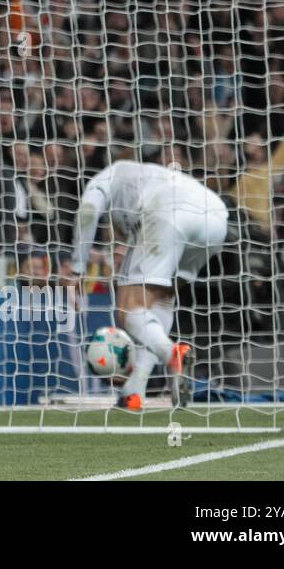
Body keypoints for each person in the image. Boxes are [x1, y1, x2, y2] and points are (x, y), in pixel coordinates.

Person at [69, 160, 230, 410]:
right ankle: (134, 391)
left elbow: (88, 211)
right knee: (161, 301)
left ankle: (171, 354)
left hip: (169, 213)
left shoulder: (105, 178)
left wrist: (76, 269)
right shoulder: (146, 176)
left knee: (128, 308)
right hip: (215, 220)